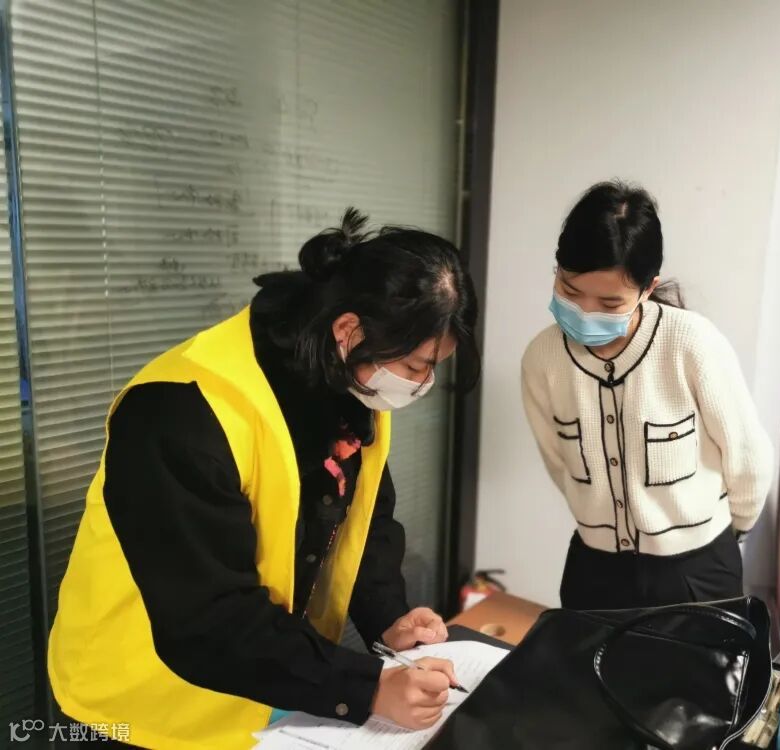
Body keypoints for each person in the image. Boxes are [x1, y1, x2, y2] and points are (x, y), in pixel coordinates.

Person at [48, 208, 480, 748]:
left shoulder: (349, 378)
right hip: (139, 704)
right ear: (348, 329)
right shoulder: (178, 413)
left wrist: (389, 620)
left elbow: (363, 518)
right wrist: (366, 688)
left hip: (261, 690)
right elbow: (205, 619)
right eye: (415, 366)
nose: (421, 384)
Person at [521, 181, 773, 611]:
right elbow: (558, 462)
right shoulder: (542, 358)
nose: (585, 311)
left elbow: (747, 455)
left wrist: (728, 533)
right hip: (595, 570)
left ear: (647, 288)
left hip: (697, 569)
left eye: (609, 303)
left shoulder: (690, 344)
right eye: (570, 291)